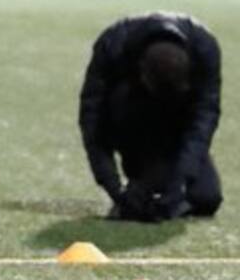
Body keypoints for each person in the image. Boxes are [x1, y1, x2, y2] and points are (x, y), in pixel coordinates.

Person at [79, 12, 222, 222]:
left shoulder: (205, 50)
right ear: (141, 71)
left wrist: (181, 180)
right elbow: (92, 119)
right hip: (130, 119)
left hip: (176, 130)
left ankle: (156, 179)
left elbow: (203, 121)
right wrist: (113, 186)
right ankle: (143, 175)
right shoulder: (112, 46)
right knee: (145, 193)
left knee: (206, 198)